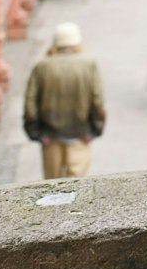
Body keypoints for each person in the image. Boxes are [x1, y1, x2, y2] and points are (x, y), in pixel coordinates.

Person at [23, 23, 105, 178]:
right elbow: (97, 100)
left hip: (51, 137)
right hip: (81, 136)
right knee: (78, 185)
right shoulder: (89, 64)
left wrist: (36, 133)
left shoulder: (42, 66)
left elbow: (30, 103)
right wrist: (95, 130)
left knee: (52, 186)